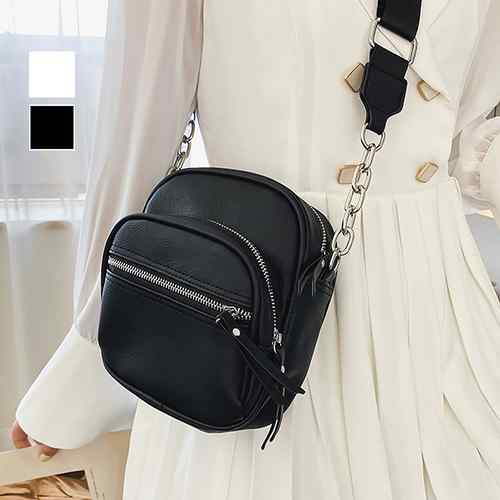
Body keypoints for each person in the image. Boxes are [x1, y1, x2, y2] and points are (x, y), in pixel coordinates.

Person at [11, 1, 500, 499]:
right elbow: (138, 138)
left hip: (439, 310)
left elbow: (469, 139)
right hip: (262, 302)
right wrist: (88, 362)